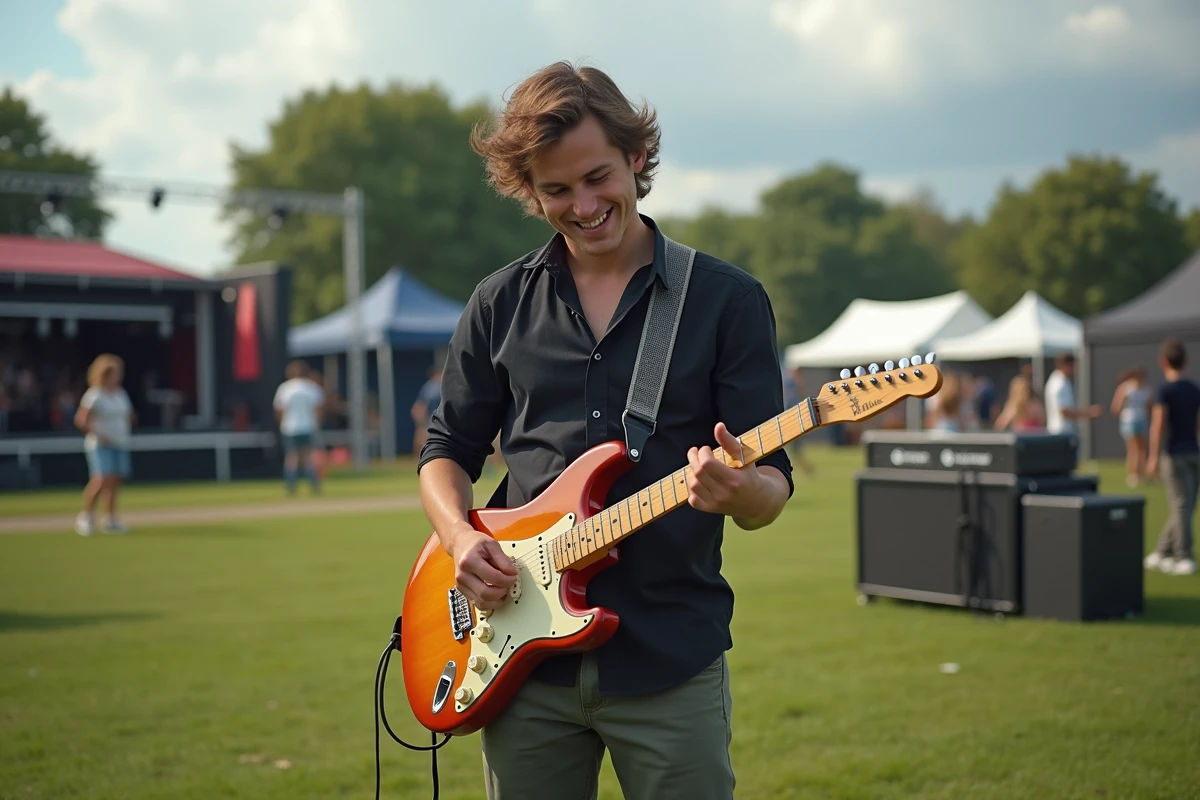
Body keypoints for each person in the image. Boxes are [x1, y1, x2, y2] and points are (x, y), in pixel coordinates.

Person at [417, 61, 793, 800]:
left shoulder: (727, 300)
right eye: (556, 191)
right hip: (517, 662)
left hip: (668, 661)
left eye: (598, 178)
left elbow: (771, 490)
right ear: (530, 192)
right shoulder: (498, 302)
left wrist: (739, 490)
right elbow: (445, 454)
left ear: (637, 157)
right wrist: (461, 540)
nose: (584, 206)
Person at [1145, 339, 1200, 576]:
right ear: (1186, 361)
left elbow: (1158, 426)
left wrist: (1153, 457)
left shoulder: (1165, 390)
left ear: (1163, 362)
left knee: (1182, 506)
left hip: (1175, 453)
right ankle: (1172, 553)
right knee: (1184, 506)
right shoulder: (1194, 389)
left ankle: (1171, 553)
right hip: (1191, 453)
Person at [74, 354, 136, 535]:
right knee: (101, 479)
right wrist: (100, 435)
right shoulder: (94, 395)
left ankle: (110, 518)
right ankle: (86, 516)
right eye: (115, 373)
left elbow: (128, 414)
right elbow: (81, 420)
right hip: (101, 445)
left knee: (114, 481)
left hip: (120, 442)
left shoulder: (120, 393)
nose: (118, 376)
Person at [273, 361, 325, 495]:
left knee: (292, 458)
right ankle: (313, 485)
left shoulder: (285, 388)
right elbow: (318, 409)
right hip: (308, 426)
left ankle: (291, 486)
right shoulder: (312, 388)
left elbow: (279, 409)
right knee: (309, 457)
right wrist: (317, 424)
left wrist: (283, 423)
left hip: (290, 427)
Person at [1110, 366, 1152, 487]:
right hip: (1129, 421)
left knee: (1142, 449)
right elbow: (1115, 408)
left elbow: (1150, 408)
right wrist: (1123, 401)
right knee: (1133, 450)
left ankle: (1141, 475)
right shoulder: (1124, 388)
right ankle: (1133, 475)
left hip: (1142, 421)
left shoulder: (1147, 390)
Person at [1043, 353, 1101, 437]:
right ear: (1066, 365)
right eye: (1073, 366)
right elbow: (1064, 411)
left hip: (1061, 432)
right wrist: (1089, 412)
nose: (1076, 369)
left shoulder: (1058, 380)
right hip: (1062, 433)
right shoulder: (1060, 383)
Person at [782, 366, 815, 476]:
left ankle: (806, 469)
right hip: (789, 418)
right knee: (794, 451)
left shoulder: (793, 383)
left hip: (793, 420)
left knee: (796, 451)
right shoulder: (790, 382)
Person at [410, 365, 443, 456]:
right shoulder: (432, 387)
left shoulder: (434, 386)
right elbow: (420, 406)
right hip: (434, 419)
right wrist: (421, 420)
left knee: (422, 437)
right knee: (422, 437)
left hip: (435, 418)